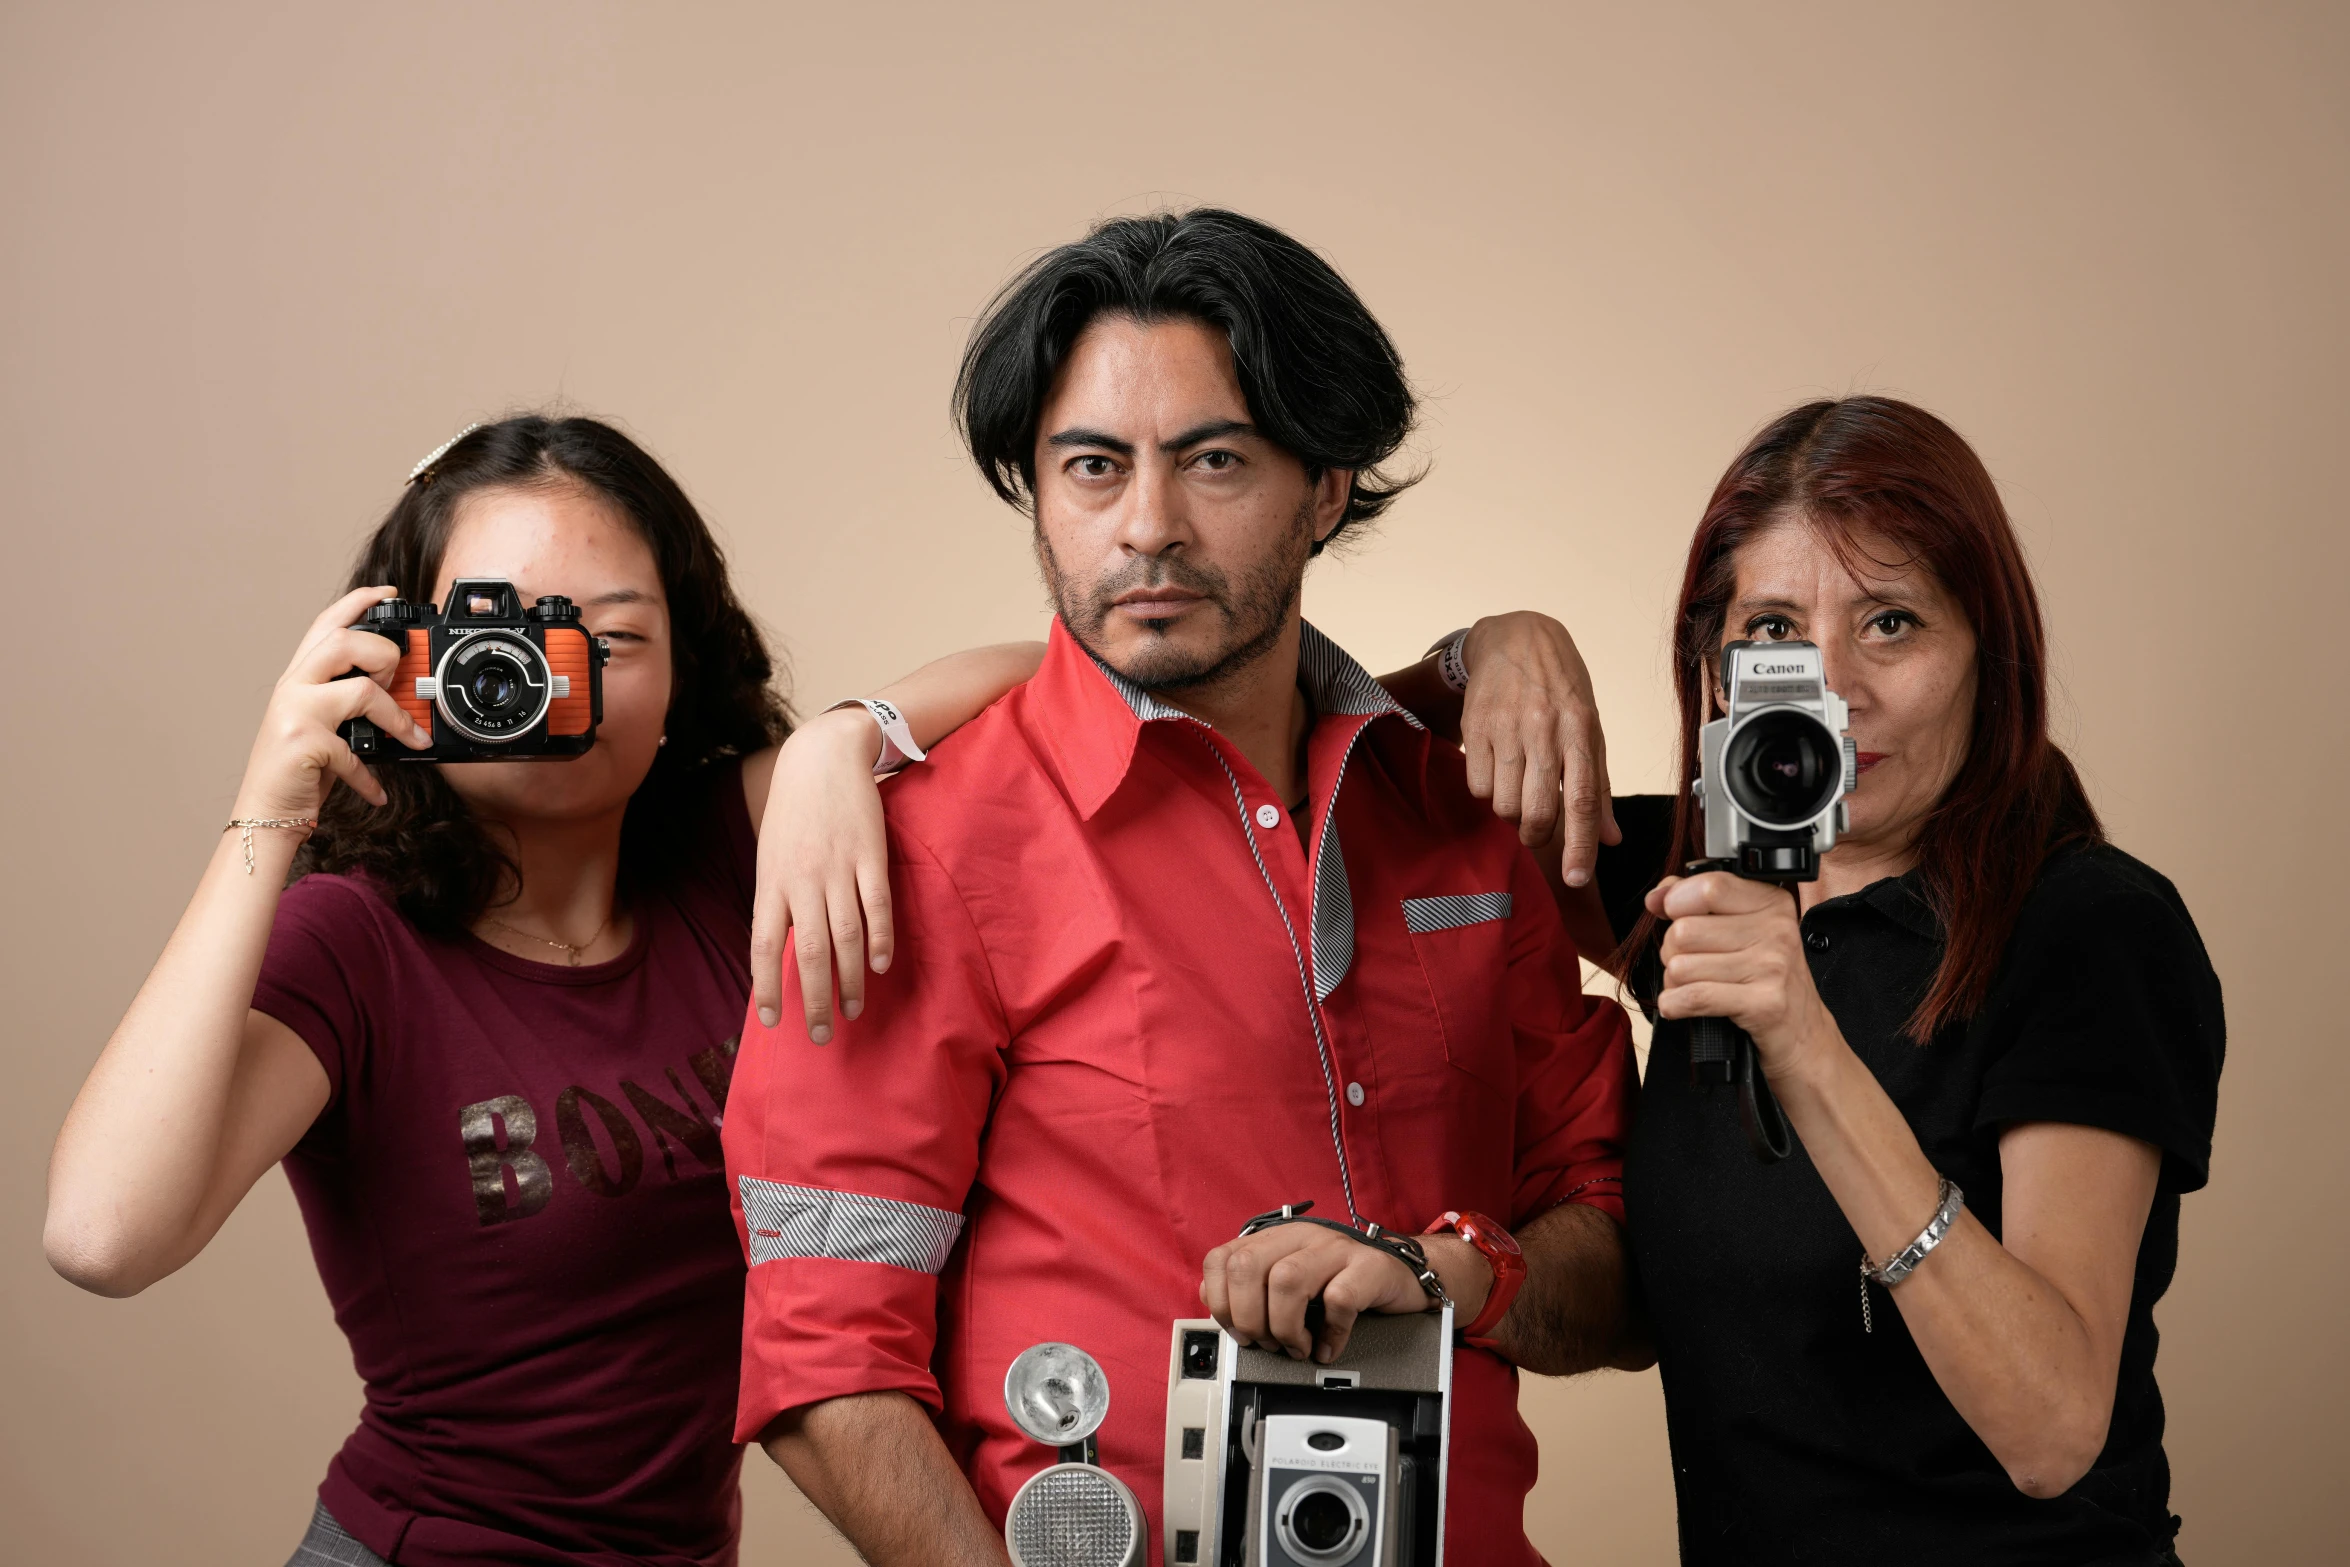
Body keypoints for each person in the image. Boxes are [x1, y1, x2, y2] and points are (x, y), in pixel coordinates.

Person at [721, 209, 1645, 1567]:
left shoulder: (1460, 817)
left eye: (1214, 461)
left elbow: (1620, 1274)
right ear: (1036, 492)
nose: (1145, 526)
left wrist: (1446, 1271)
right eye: (1091, 467)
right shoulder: (905, 849)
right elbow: (818, 1359)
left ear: (1326, 486)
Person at [41, 414, 1039, 1567]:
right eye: (491, 632)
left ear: (684, 671)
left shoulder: (729, 860)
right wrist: (273, 801)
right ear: (398, 652)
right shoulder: (356, 942)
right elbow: (102, 1237)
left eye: (604, 638)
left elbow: (1048, 680)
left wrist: (840, 740)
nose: (537, 675)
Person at [1607, 396, 2222, 1565]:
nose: (1833, 691)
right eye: (1777, 629)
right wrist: (1489, 647)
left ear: (1987, 649)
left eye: (1890, 623)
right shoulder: (1690, 885)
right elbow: (1347, 761)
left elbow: (2051, 1428)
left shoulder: (2091, 929)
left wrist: (1804, 1041)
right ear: (1721, 666)